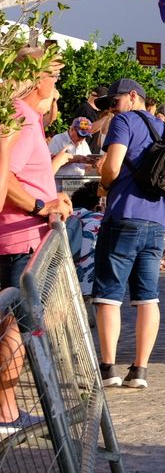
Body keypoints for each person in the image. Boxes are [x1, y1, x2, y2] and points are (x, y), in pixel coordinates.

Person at [0, 51, 73, 430]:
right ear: (37, 79)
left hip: (16, 235)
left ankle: (7, 409)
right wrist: (42, 206)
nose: (56, 86)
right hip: (20, 236)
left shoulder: (17, 115)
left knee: (12, 324)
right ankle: (5, 411)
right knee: (15, 325)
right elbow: (7, 179)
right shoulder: (23, 118)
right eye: (54, 77)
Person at [95, 77, 165, 389]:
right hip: (157, 221)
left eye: (114, 102)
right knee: (148, 298)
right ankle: (140, 370)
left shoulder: (124, 122)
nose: (112, 110)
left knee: (108, 295)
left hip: (124, 216)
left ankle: (108, 368)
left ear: (132, 96)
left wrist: (104, 185)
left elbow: (113, 166)